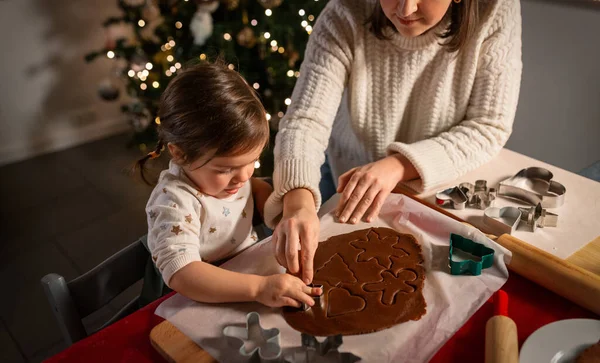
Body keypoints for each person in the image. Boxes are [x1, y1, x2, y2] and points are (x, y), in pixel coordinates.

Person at [264, 0, 522, 284]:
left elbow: (488, 126)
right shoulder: (345, 11)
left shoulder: (496, 9)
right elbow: (305, 121)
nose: (406, 9)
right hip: (345, 174)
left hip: (436, 184)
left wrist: (398, 165)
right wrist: (299, 203)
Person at [137, 62, 321, 308]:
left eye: (252, 162)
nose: (244, 176)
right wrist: (259, 288)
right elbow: (183, 274)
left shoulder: (231, 178)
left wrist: (284, 220)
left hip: (247, 275)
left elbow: (254, 189)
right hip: (196, 296)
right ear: (179, 154)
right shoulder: (173, 201)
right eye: (225, 169)